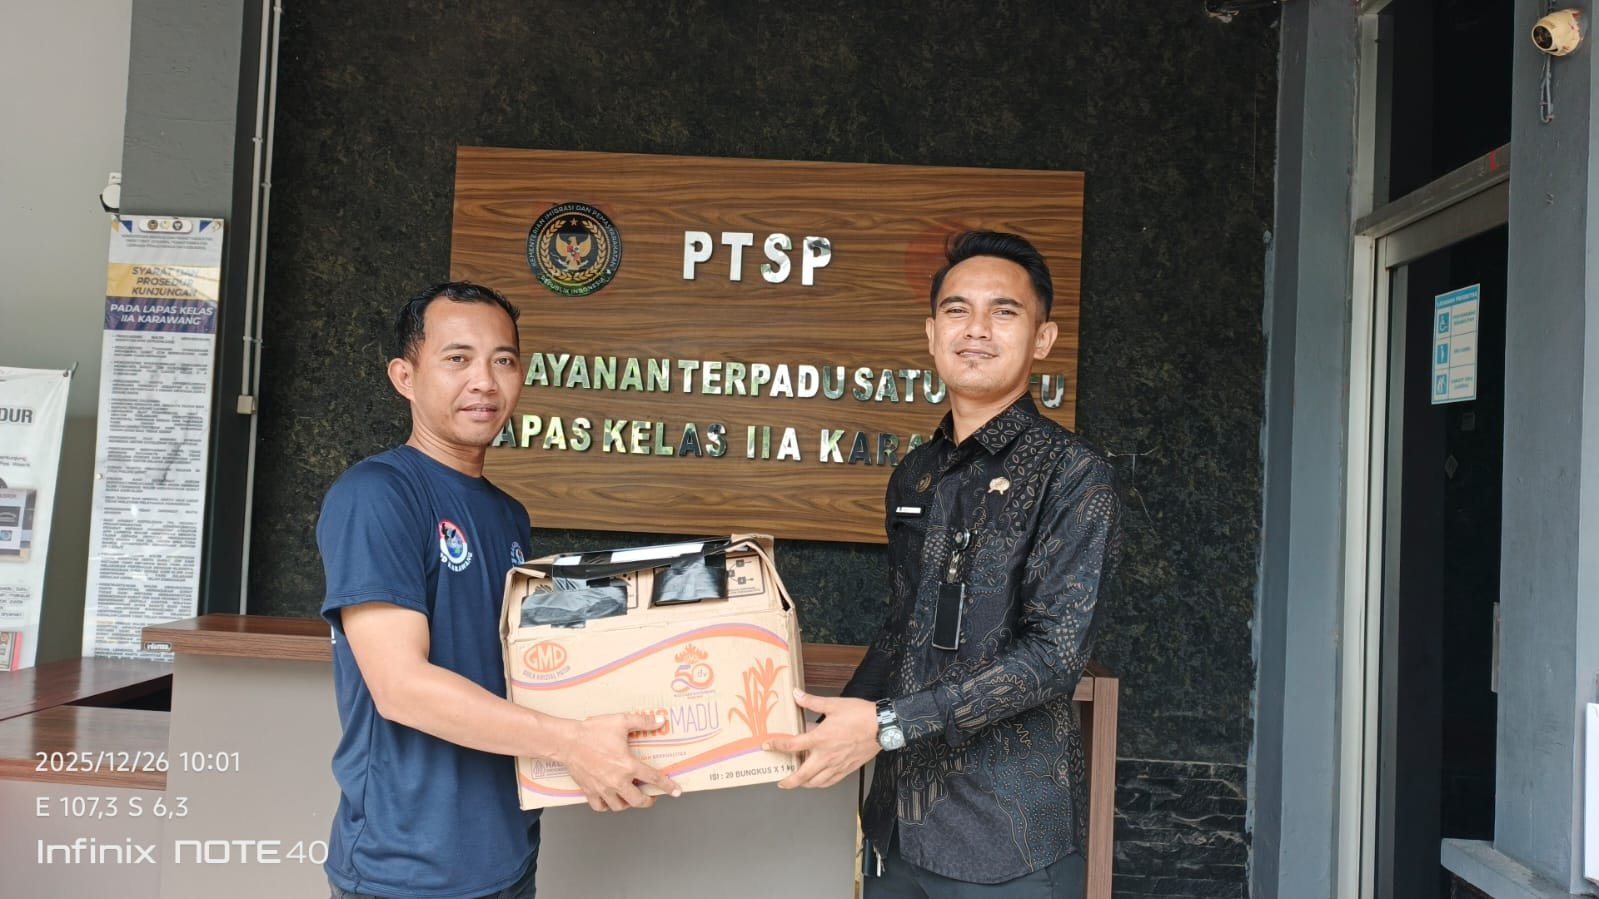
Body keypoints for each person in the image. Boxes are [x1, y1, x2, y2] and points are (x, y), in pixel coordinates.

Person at [766, 231, 1124, 898]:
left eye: (1004, 311)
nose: (976, 329)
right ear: (932, 334)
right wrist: (815, 725)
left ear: (1043, 338)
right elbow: (902, 627)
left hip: (1008, 840)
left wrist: (885, 726)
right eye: (957, 310)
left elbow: (1052, 656)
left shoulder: (1073, 474)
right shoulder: (915, 473)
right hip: (897, 829)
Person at [317, 281, 679, 899]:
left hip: (508, 853)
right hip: (409, 866)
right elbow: (401, 688)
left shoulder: (507, 514)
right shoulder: (377, 494)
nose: (484, 381)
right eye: (457, 358)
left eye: (503, 360)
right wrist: (574, 744)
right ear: (405, 376)